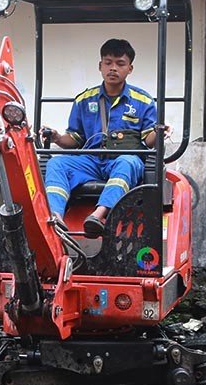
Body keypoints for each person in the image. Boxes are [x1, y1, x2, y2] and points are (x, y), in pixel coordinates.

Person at [41, 38, 162, 238]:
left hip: (123, 161)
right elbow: (75, 139)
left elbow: (149, 139)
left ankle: (98, 216)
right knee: (57, 163)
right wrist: (56, 137)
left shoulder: (143, 100)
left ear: (130, 69)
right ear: (100, 66)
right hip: (91, 161)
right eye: (108, 63)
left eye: (120, 64)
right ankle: (55, 217)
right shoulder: (84, 100)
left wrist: (160, 132)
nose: (113, 68)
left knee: (128, 161)